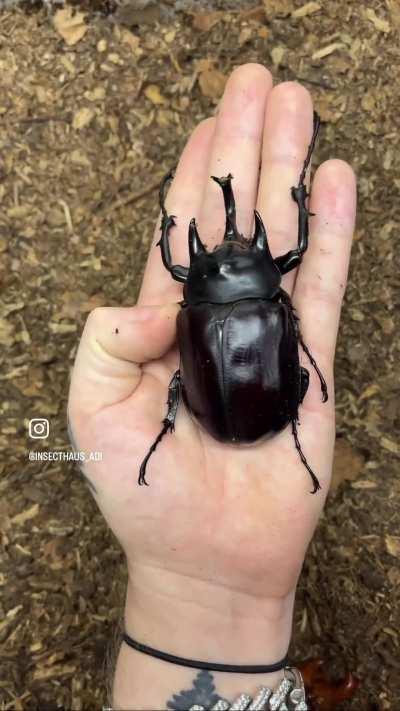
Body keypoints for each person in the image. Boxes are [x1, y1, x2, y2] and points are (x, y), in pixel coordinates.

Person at [67, 63, 357, 710]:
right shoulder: (271, 299)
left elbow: (180, 261)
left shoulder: (188, 302)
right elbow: (299, 247)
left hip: (219, 407)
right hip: (265, 407)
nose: (230, 240)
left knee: (189, 377)